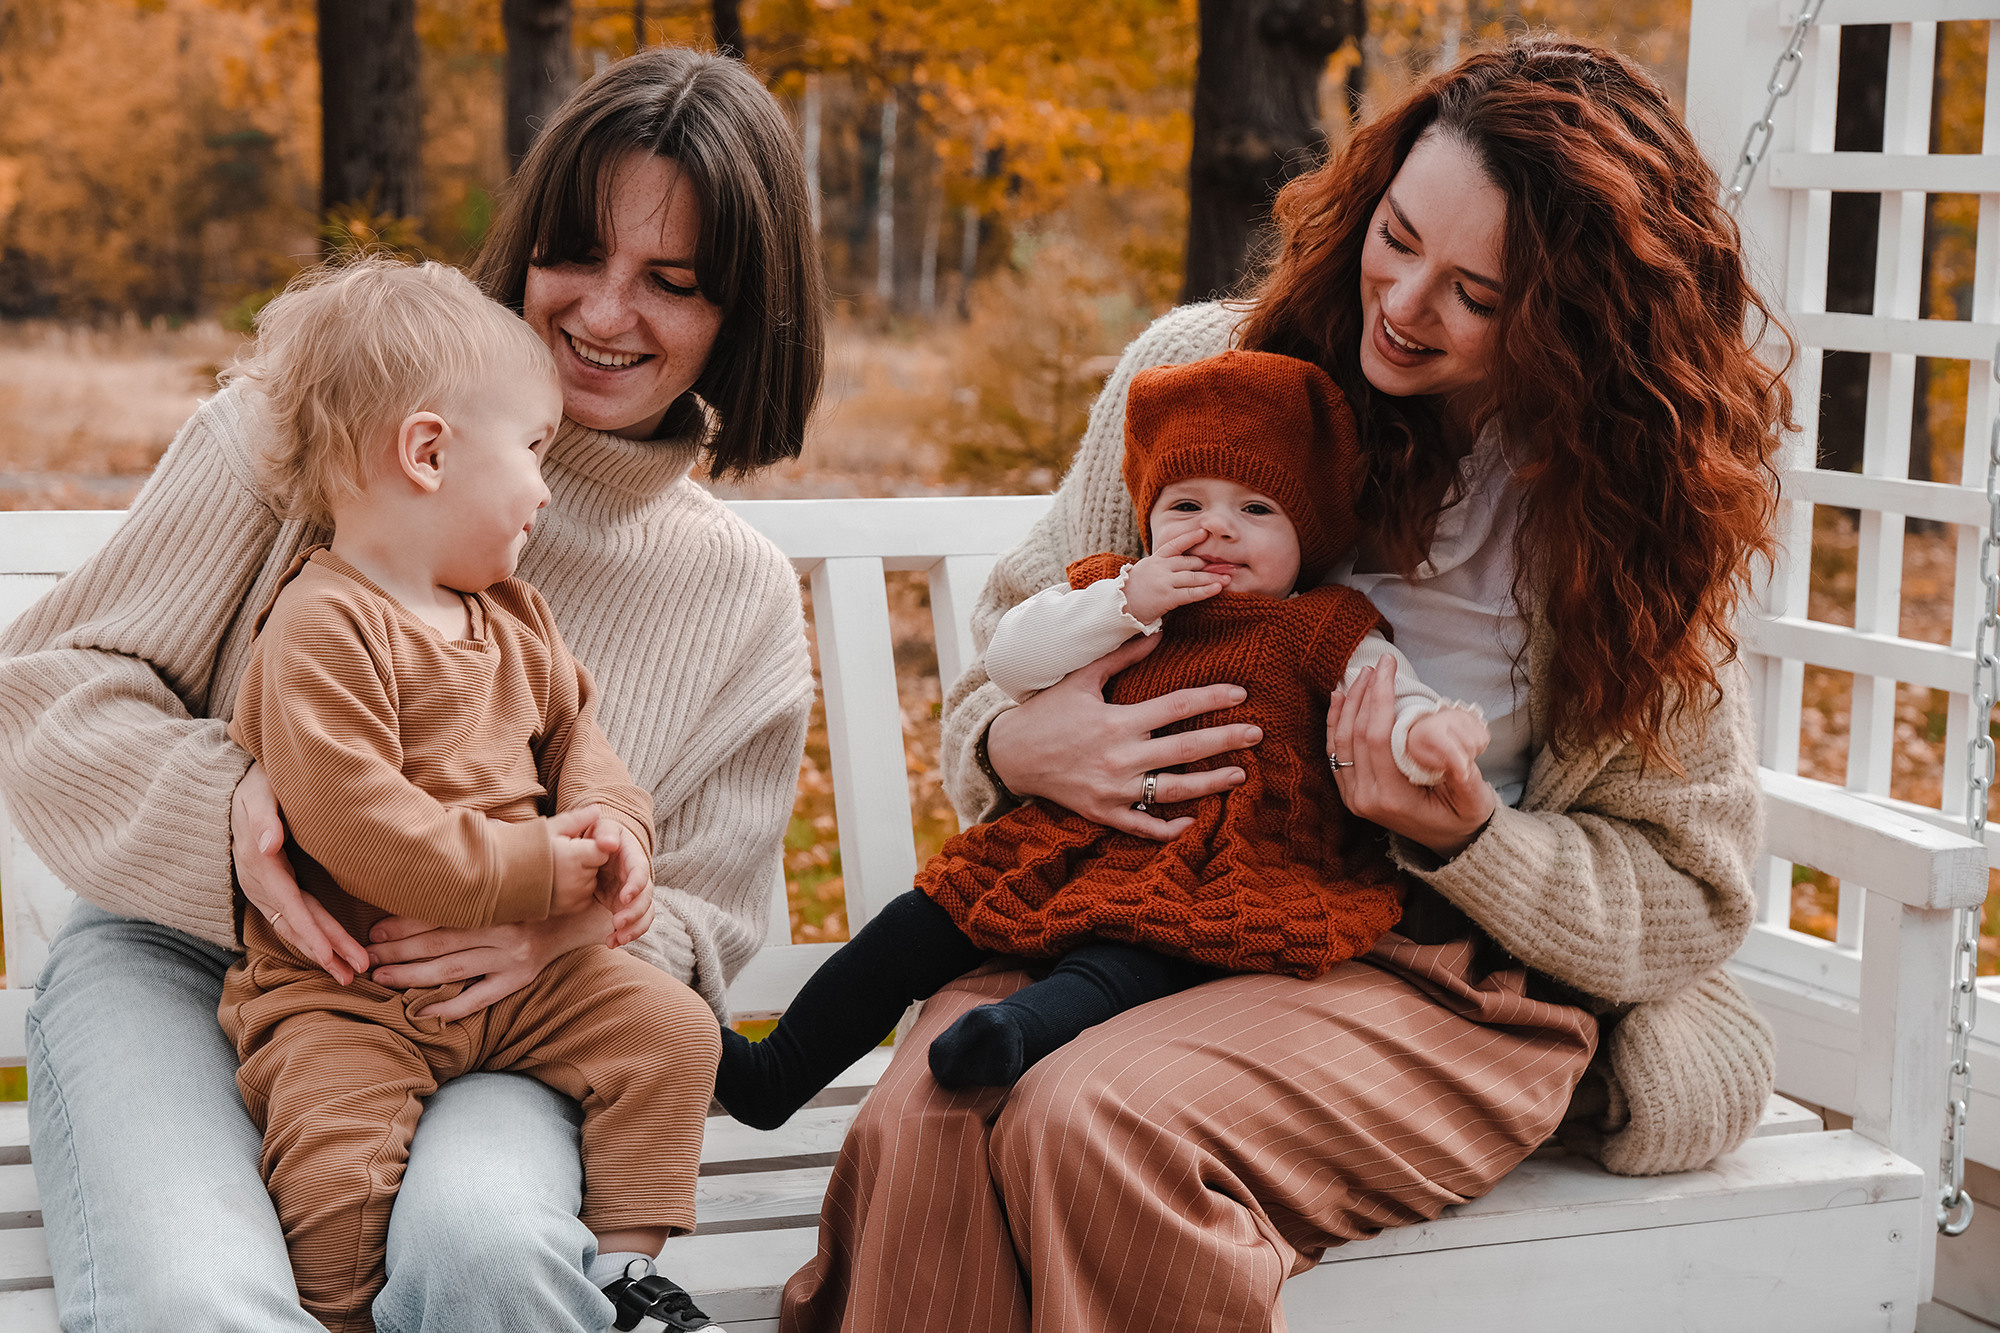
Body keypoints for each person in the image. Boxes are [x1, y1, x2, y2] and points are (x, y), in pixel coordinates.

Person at [780, 35, 1787, 1332]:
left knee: (1099, 1125)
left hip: (1423, 976)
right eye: (1399, 234)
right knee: (934, 1114)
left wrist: (1470, 837)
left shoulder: (1614, 521)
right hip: (1121, 902)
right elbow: (1004, 657)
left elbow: (1687, 889)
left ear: (1574, 326)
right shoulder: (1211, 370)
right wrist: (1023, 747)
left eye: (1478, 294)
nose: (1407, 304)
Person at [0, 46, 823, 1333]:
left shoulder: (737, 594)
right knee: (195, 1300)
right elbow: (49, 689)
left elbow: (707, 912)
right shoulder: (308, 426)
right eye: (575, 257)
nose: (605, 313)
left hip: (504, 1010)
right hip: (183, 958)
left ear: (743, 314)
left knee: (488, 1253)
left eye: (671, 283)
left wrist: (555, 924)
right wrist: (233, 812)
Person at [716, 350, 1489, 1129]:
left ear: (1308, 536)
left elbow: (1391, 696)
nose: (1216, 526)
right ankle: (776, 1070)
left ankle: (1009, 1035)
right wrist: (1123, 599)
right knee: (925, 917)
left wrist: (1431, 732)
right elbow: (1013, 662)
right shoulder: (1116, 591)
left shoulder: (1321, 626)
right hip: (1072, 838)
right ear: (1149, 517)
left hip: (1221, 860)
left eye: (1257, 510)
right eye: (1186, 504)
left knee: (1132, 958)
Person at [217, 256, 729, 1333]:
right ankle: (341, 1313)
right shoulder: (323, 628)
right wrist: (542, 869)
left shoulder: (510, 614)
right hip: (351, 990)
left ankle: (623, 1278)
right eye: (534, 452)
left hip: (519, 982)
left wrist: (614, 832)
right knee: (336, 1176)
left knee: (674, 1036)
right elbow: (361, 822)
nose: (547, 486)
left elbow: (577, 739)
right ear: (429, 450)